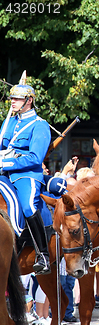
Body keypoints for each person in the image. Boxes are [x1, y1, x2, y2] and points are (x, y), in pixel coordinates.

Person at [0, 79, 51, 274]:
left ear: (29, 101)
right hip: (4, 173)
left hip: (26, 175)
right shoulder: (9, 122)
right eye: (12, 98)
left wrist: (5, 163)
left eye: (17, 99)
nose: (12, 102)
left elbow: (35, 158)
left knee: (29, 205)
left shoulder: (39, 125)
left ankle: (43, 255)